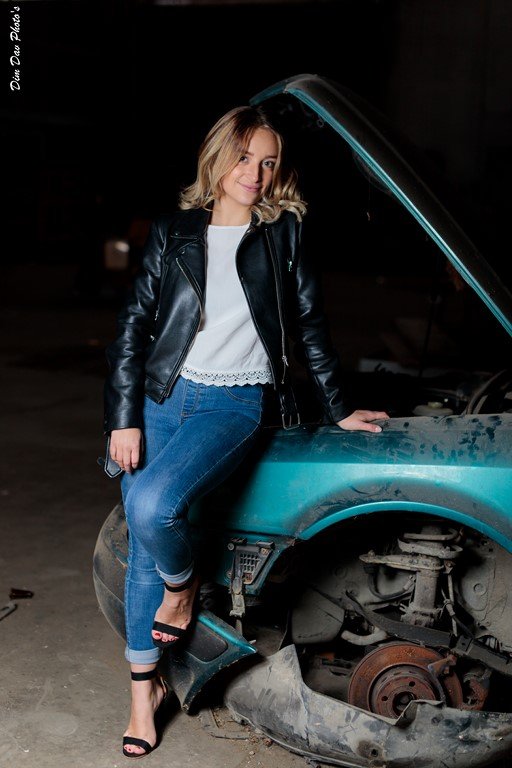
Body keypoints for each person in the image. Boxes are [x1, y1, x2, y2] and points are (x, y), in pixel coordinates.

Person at [103, 105, 388, 758]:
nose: (254, 172)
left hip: (233, 402)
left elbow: (309, 324)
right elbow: (133, 328)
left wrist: (338, 407)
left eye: (267, 162)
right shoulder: (175, 231)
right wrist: (123, 416)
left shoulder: (282, 234)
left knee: (152, 507)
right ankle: (143, 695)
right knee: (143, 545)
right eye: (243, 157)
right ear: (218, 158)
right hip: (162, 397)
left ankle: (182, 589)